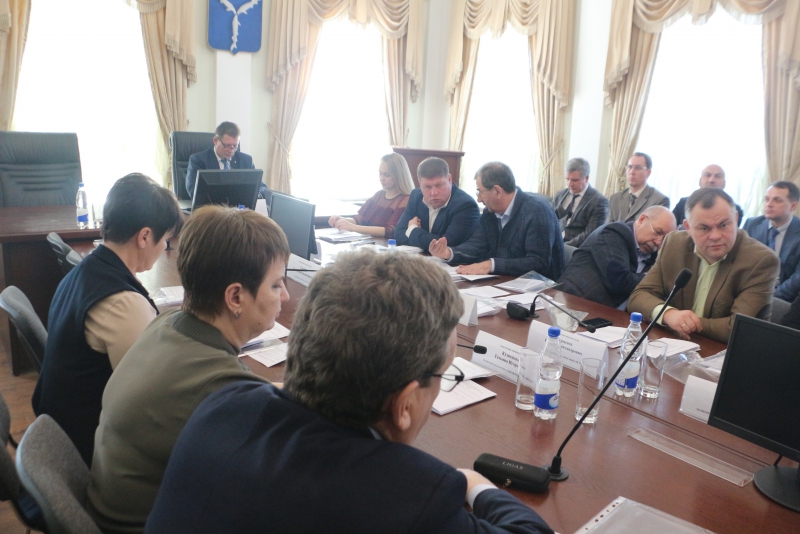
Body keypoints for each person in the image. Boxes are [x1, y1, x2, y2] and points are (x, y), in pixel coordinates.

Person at [144, 251, 554, 534]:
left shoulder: (222, 406)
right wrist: (472, 483)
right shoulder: (410, 497)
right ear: (405, 404)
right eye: (442, 375)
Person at [87, 206, 290, 534]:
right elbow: (280, 477)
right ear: (235, 297)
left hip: (109, 505)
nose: (286, 295)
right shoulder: (222, 384)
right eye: (277, 285)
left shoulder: (169, 322)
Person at [32, 174, 182, 466]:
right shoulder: (123, 304)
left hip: (60, 434)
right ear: (144, 237)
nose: (165, 247)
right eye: (165, 240)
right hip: (91, 449)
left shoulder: (85, 269)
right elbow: (153, 401)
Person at [629, 188, 779, 343]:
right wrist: (668, 314)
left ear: (735, 219)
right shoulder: (674, 244)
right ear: (687, 227)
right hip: (675, 345)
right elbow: (639, 296)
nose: (715, 236)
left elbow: (738, 328)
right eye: (704, 228)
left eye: (723, 225)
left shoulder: (761, 261)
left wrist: (683, 323)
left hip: (723, 350)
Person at [429, 162, 564, 279]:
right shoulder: (490, 213)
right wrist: (448, 253)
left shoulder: (537, 211)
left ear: (497, 191)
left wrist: (491, 265)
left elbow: (538, 263)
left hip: (543, 291)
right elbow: (476, 245)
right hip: (503, 283)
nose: (479, 199)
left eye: (480, 192)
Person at [559, 206, 676, 309]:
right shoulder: (614, 233)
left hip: (610, 316)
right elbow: (619, 282)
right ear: (641, 220)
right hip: (572, 303)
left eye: (665, 239)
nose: (658, 242)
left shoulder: (655, 257)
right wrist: (651, 278)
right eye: (657, 232)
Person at [394, 157, 479, 249]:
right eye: (427, 187)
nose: (434, 193)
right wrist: (425, 240)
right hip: (418, 257)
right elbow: (398, 234)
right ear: (420, 183)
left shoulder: (465, 205)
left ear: (449, 179)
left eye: (439, 185)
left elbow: (447, 244)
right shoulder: (416, 196)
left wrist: (412, 230)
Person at [327, 153, 413, 237]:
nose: (381, 178)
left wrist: (353, 227)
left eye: (387, 175)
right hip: (369, 242)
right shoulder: (379, 195)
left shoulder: (405, 199)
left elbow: (390, 231)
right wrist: (341, 220)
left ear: (398, 175)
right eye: (380, 173)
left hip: (386, 245)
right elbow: (359, 219)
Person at [743, 181, 800, 302]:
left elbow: (797, 278)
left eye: (777, 200)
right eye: (767, 199)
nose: (769, 204)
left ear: (793, 206)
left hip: (783, 297)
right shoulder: (752, 225)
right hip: (749, 290)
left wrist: (769, 298)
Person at [184, 121, 268, 199]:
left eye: (235, 146)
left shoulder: (246, 160)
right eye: (227, 145)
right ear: (215, 141)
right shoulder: (198, 160)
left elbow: (262, 187)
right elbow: (193, 191)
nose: (231, 150)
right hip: (211, 207)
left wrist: (254, 195)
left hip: (240, 207)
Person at [551, 157, 609, 247]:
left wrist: (564, 247)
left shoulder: (599, 201)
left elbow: (591, 234)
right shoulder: (560, 194)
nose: (570, 184)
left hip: (577, 247)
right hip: (555, 241)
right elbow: (550, 219)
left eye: (575, 180)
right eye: (567, 179)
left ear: (587, 178)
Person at [672, 165, 744, 228]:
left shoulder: (734, 210)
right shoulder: (683, 203)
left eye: (718, 176)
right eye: (708, 175)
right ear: (700, 181)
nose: (711, 180)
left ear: (724, 183)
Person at [607, 152, 670, 223]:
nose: (632, 172)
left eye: (637, 168)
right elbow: (607, 228)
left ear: (648, 172)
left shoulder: (659, 200)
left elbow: (654, 228)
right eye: (629, 167)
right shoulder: (615, 198)